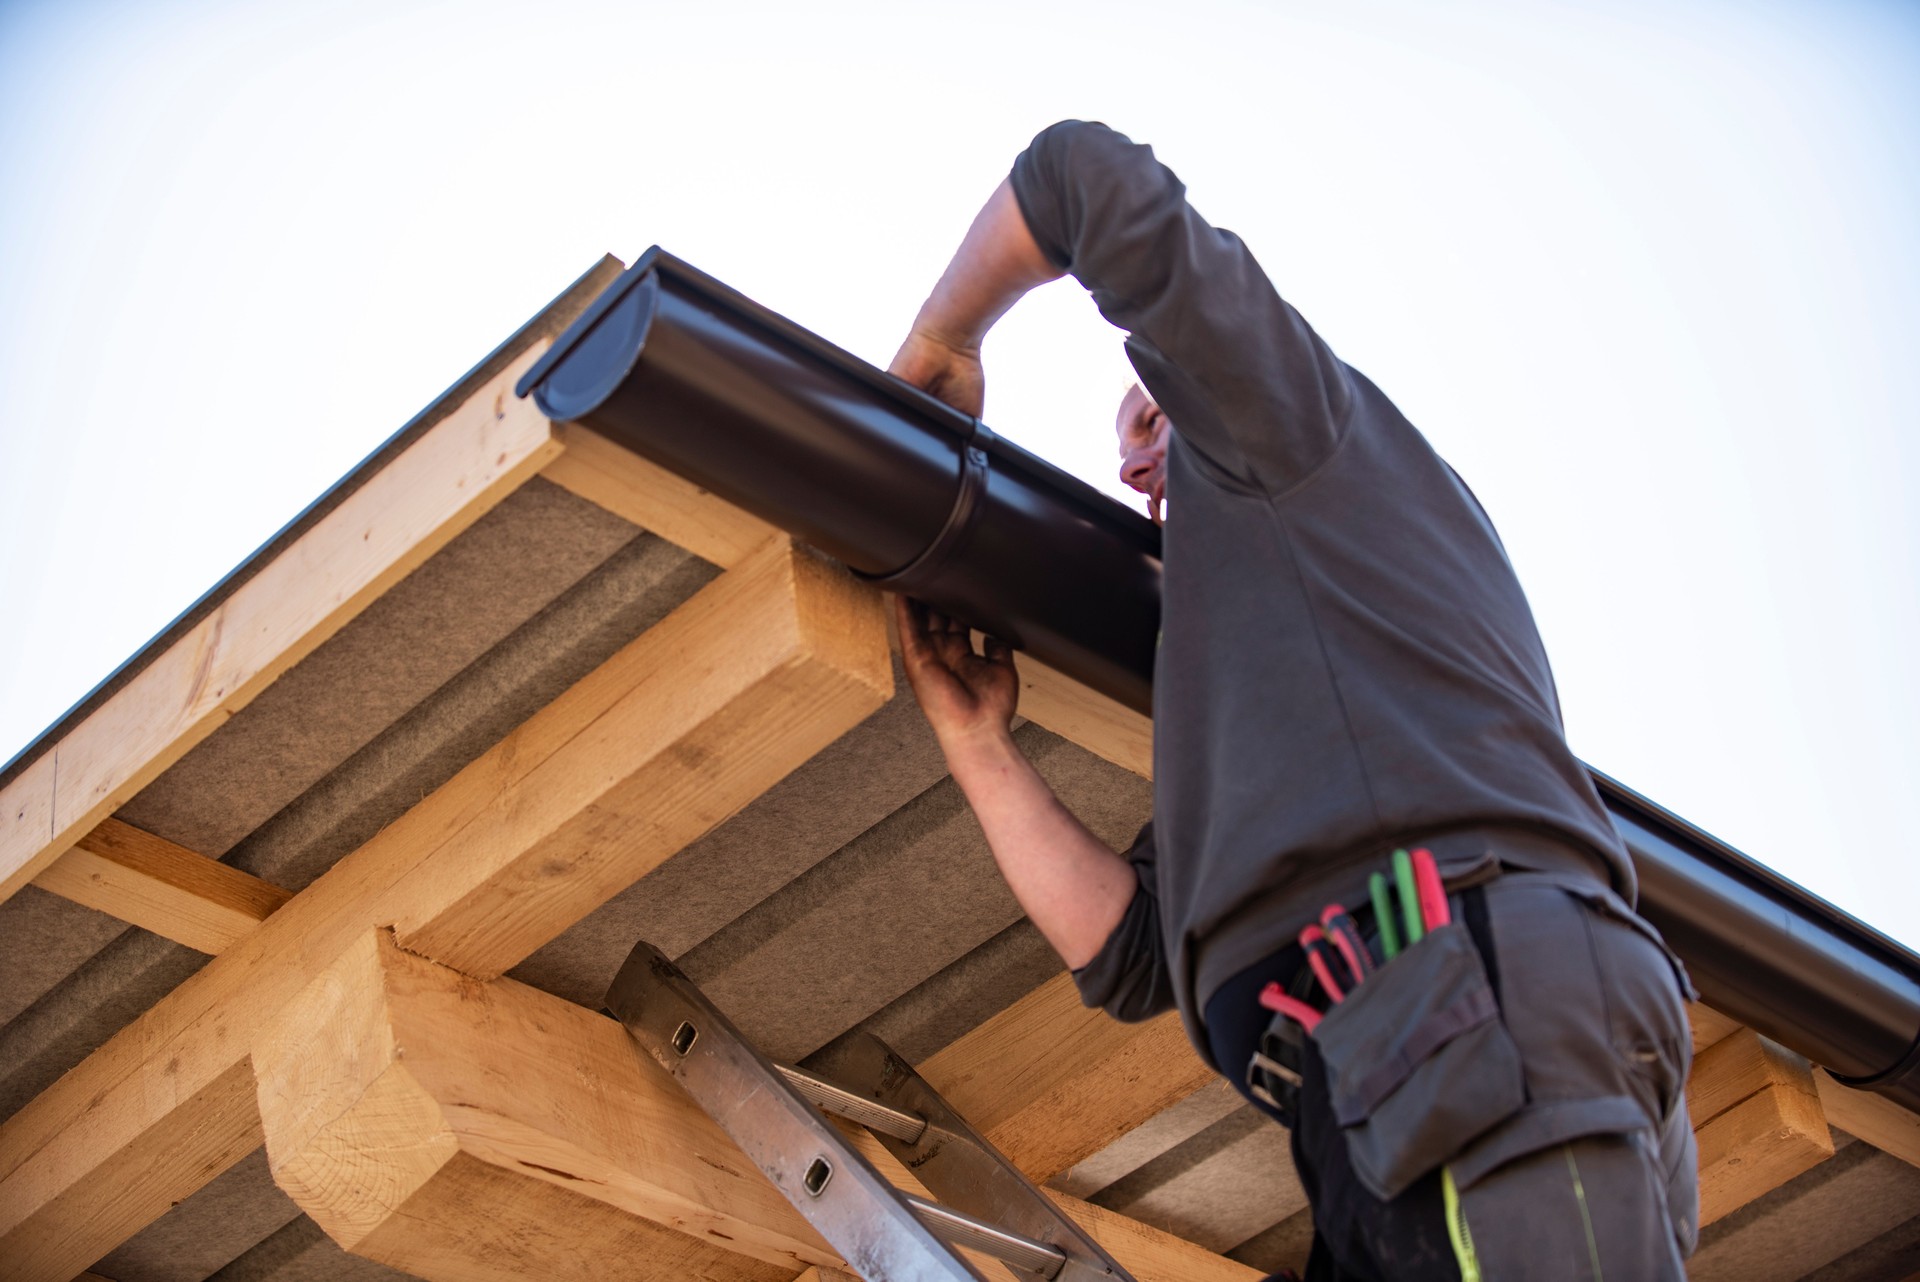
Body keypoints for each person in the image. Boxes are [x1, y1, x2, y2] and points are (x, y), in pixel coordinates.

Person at [886, 120, 1699, 1280]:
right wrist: (977, 745)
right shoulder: (1287, 704)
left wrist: (943, 336)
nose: (1131, 466)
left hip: (1471, 1018)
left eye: (1152, 418)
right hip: (1401, 1070)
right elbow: (1133, 954)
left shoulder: (1293, 429)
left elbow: (1080, 179)